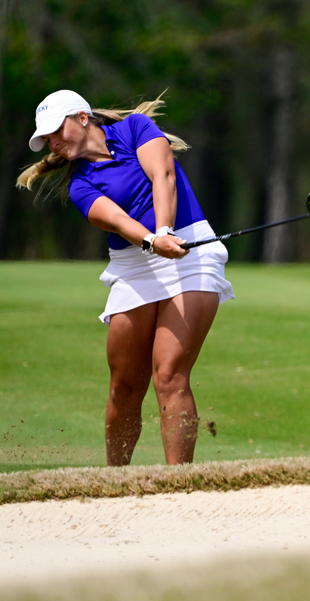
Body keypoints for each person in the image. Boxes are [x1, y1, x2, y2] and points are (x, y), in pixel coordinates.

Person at [16, 90, 232, 466]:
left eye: (55, 131)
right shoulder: (80, 184)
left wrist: (164, 229)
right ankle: (114, 483)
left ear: (82, 118)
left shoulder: (135, 128)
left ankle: (177, 486)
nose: (51, 143)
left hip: (191, 250)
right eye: (46, 139)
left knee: (168, 373)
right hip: (134, 264)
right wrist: (152, 239)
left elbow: (162, 175)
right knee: (124, 387)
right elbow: (116, 220)